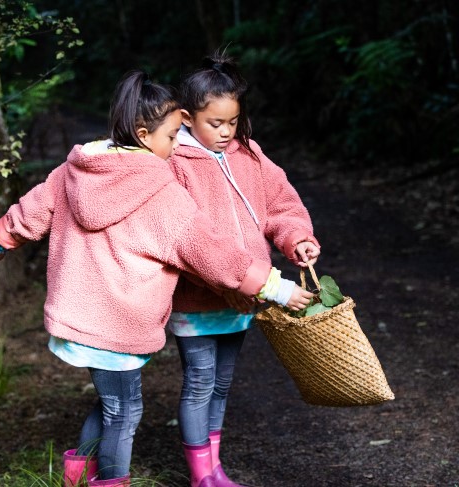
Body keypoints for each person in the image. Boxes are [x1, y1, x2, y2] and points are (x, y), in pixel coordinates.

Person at [0, 70, 314, 487]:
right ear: (143, 132)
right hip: (119, 321)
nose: (176, 147)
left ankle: (76, 478)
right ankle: (110, 482)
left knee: (109, 407)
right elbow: (209, 250)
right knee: (125, 412)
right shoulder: (160, 189)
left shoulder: (76, 168)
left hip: (80, 316)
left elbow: (31, 209)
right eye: (173, 136)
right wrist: (274, 287)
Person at [166, 52, 321, 487]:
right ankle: (200, 476)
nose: (226, 132)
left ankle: (215, 468)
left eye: (232, 122)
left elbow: (281, 205)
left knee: (222, 382)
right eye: (215, 123)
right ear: (185, 117)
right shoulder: (173, 162)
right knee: (199, 381)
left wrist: (297, 238)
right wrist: (236, 283)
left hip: (247, 295)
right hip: (198, 298)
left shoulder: (248, 154)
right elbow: (185, 241)